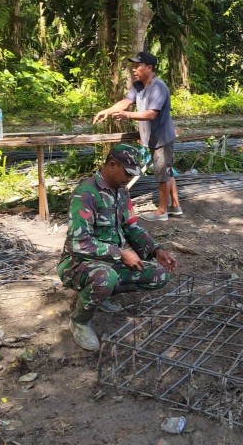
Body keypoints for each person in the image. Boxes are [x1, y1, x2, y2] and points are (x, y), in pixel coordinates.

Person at [56, 143, 178, 351]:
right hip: (77, 264)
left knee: (159, 275)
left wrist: (156, 250)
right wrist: (120, 253)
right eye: (127, 173)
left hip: (111, 261)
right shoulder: (85, 194)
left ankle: (101, 294)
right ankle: (80, 321)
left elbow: (131, 226)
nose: (129, 179)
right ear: (112, 165)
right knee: (105, 277)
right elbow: (79, 243)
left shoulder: (121, 192)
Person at [93, 51, 181, 221]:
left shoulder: (158, 87)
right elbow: (126, 102)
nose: (133, 70)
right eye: (133, 66)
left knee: (162, 173)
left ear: (149, 67)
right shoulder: (138, 86)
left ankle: (162, 211)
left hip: (161, 137)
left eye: (137, 66)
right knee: (167, 172)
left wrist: (127, 115)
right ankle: (175, 207)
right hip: (152, 137)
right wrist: (108, 110)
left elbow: (151, 114)